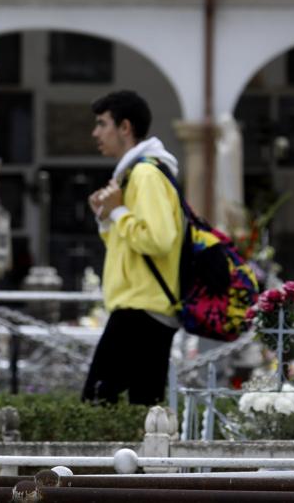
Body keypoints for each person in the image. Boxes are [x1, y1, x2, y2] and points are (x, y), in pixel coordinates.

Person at [81, 90, 184, 405]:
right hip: (143, 307)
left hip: (142, 310)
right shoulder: (134, 173)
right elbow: (131, 246)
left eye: (102, 124)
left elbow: (157, 239)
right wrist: (107, 218)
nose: (95, 133)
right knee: (143, 408)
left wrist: (118, 212)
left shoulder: (145, 174)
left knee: (97, 401)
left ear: (124, 127)